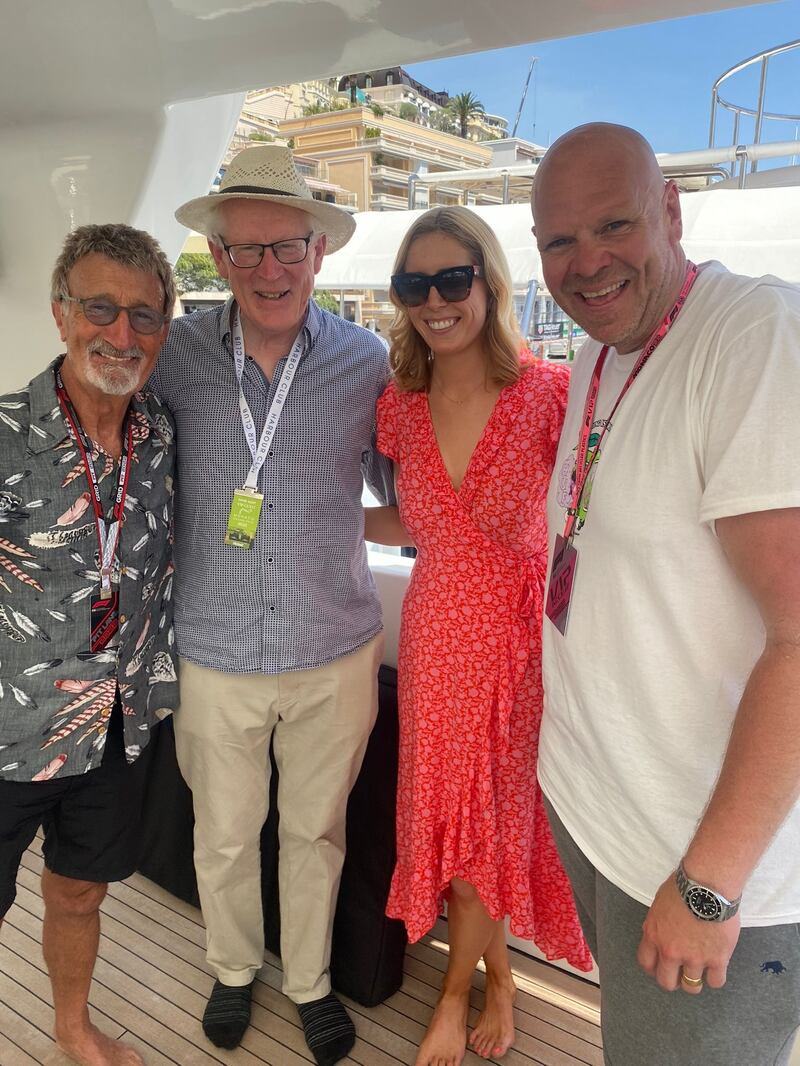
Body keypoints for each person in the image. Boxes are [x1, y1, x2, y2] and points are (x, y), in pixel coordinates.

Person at [531, 122, 800, 1065]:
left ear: (672, 210)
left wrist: (711, 885)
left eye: (614, 225)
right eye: (559, 241)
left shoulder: (754, 335)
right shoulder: (604, 349)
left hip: (704, 869)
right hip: (606, 813)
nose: (588, 262)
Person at [149, 145, 392, 1066]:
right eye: (243, 251)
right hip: (211, 646)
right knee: (221, 833)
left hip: (333, 645)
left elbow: (406, 487)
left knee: (316, 832)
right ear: (214, 255)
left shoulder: (365, 361)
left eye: (286, 247)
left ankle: (312, 984)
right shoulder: (171, 356)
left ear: (318, 253)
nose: (267, 270)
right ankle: (231, 966)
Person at [365, 206, 592, 1066]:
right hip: (434, 641)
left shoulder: (548, 395)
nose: (435, 300)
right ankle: (490, 983)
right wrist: (304, 519)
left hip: (515, 649)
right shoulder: (401, 404)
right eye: (414, 285)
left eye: (452, 279)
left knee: (490, 833)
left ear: (489, 283)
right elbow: (417, 519)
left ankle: (460, 994)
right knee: (456, 834)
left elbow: (591, 519)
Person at [0, 223, 178, 1066]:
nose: (122, 333)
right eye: (101, 308)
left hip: (118, 724)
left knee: (79, 894)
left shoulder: (165, 439)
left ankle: (72, 1030)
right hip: (10, 727)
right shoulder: (3, 435)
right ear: (62, 314)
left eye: (143, 315)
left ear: (166, 329)